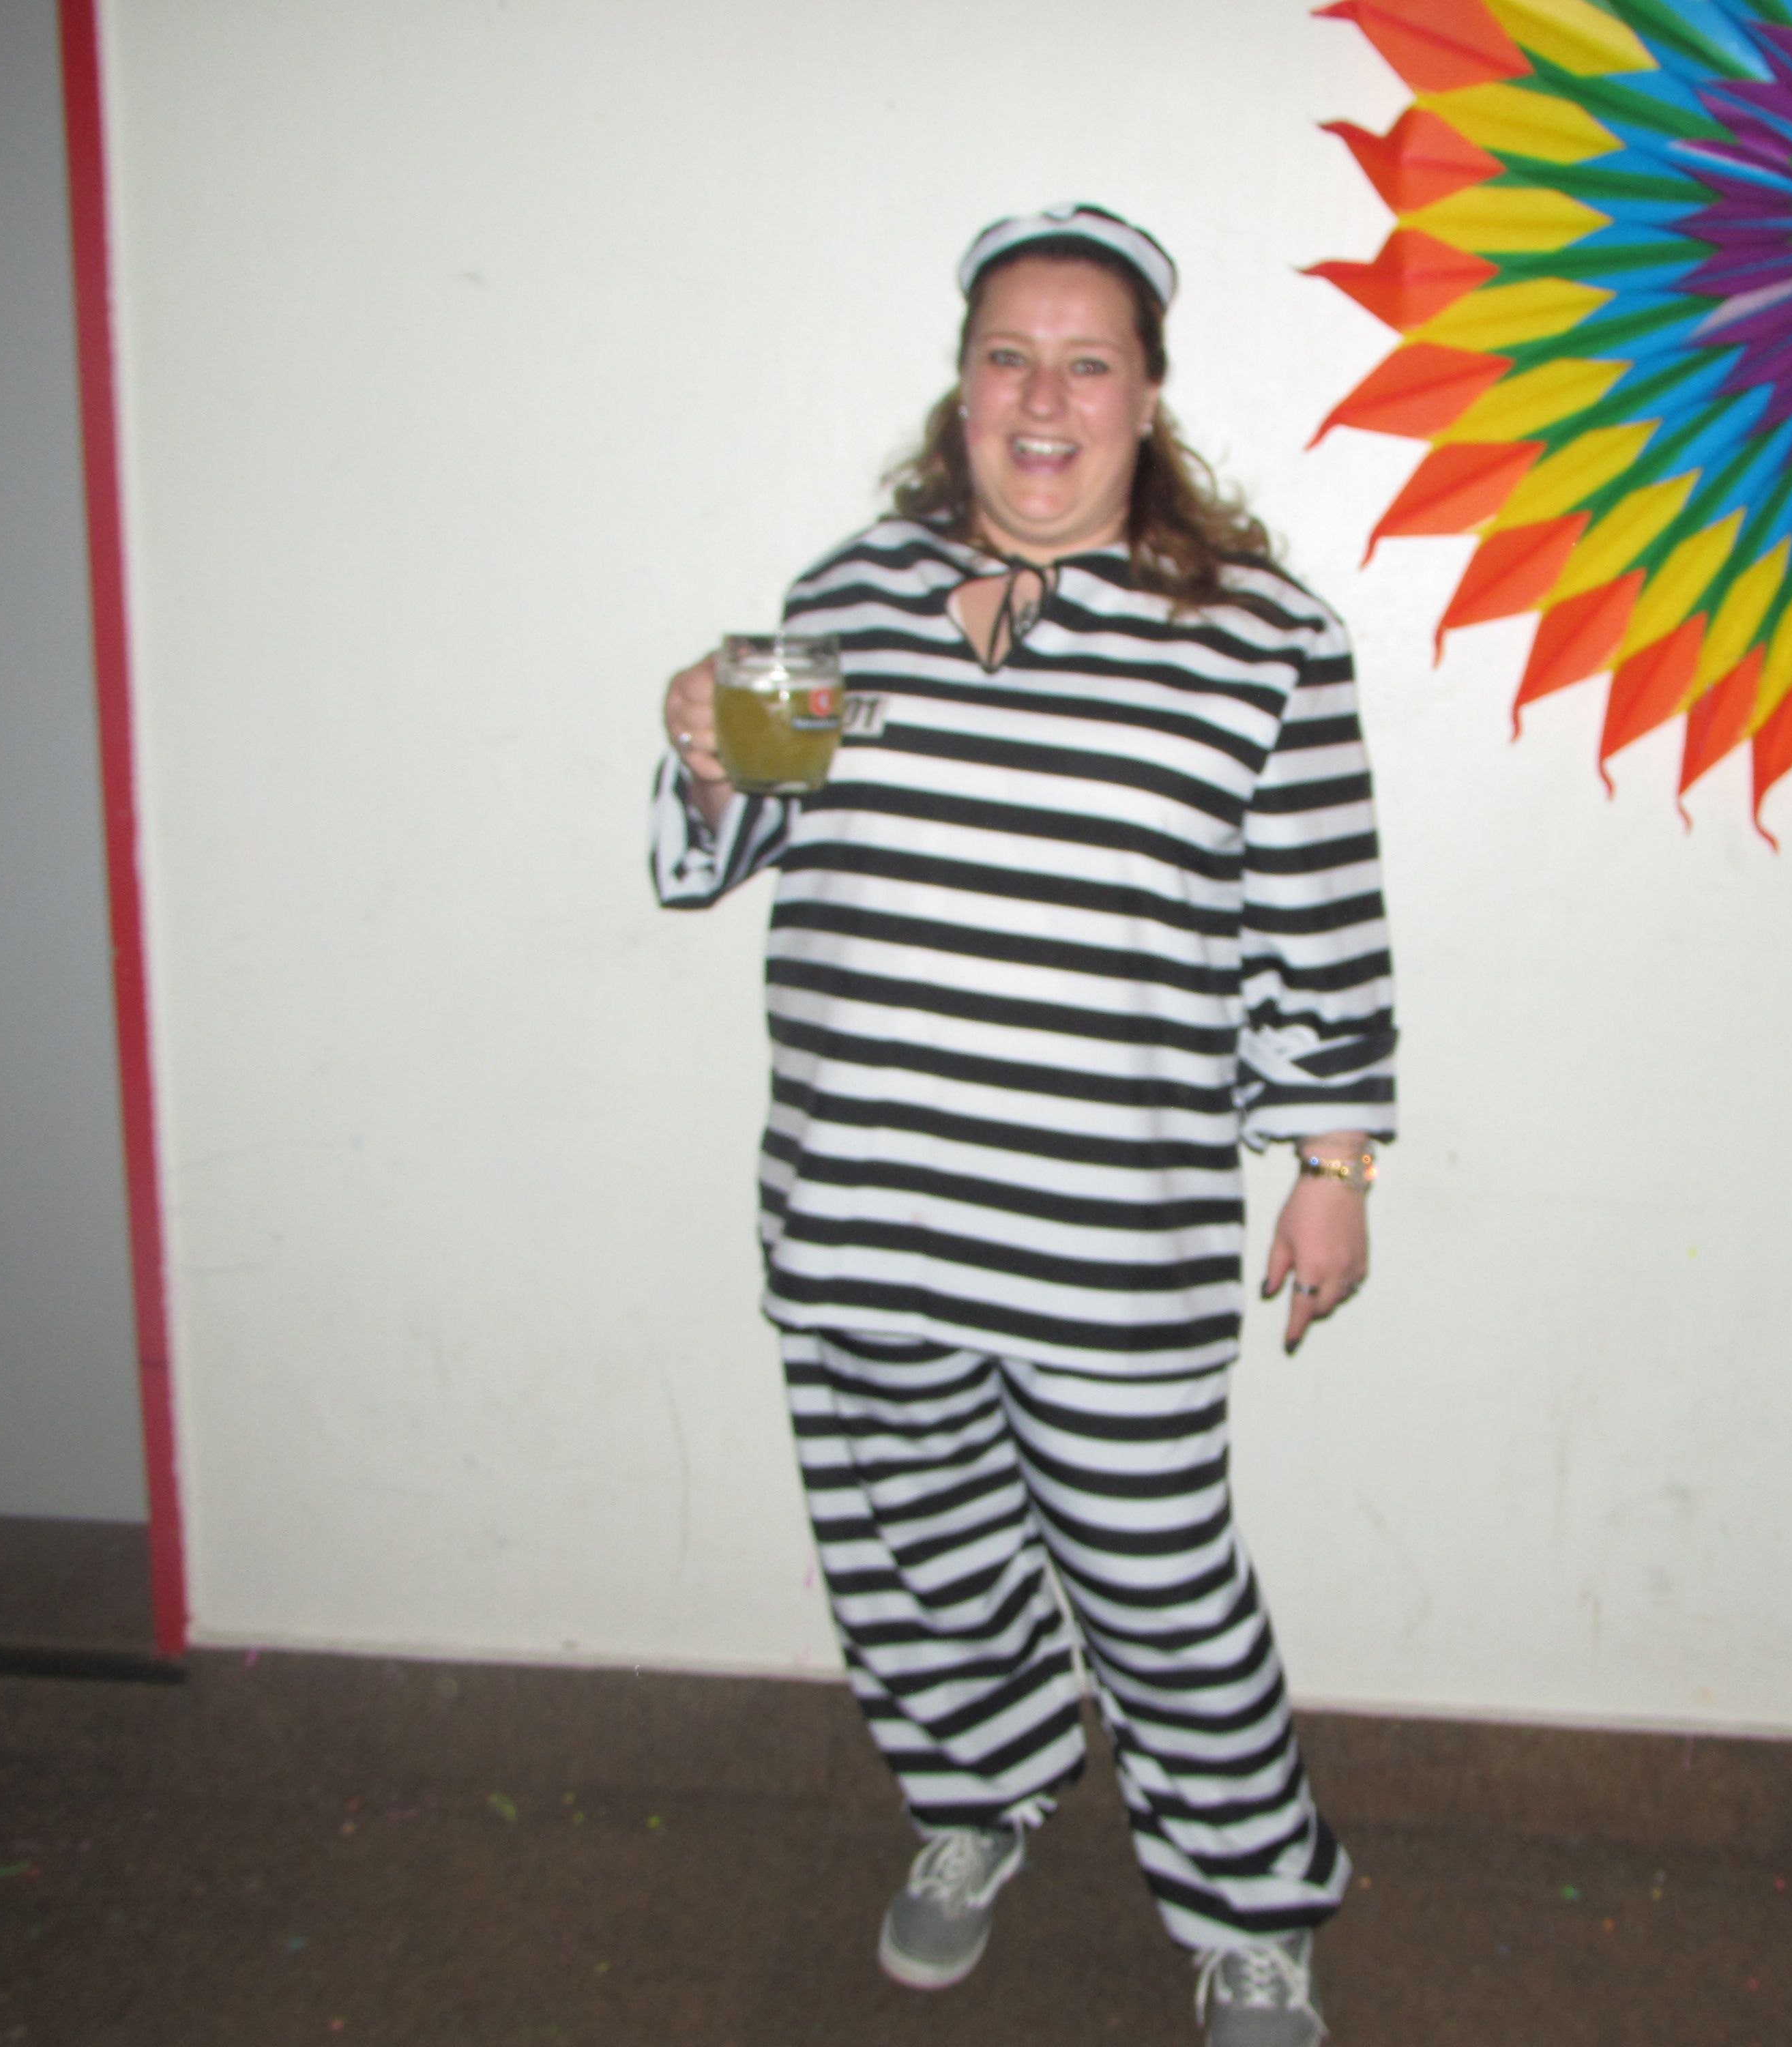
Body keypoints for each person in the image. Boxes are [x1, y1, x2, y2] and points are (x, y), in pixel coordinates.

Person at [652, 203, 1396, 2047]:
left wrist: (1332, 1166)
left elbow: (1318, 922)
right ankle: (974, 1799)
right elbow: (725, 850)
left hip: (1104, 1236)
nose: (1041, 399)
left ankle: (1254, 1912)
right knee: (915, 1558)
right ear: (963, 385)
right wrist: (701, 751)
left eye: (1085, 362)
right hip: (864, 1207)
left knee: (1162, 1595)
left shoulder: (1264, 639)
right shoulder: (848, 597)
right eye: (1008, 357)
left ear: (1147, 395)